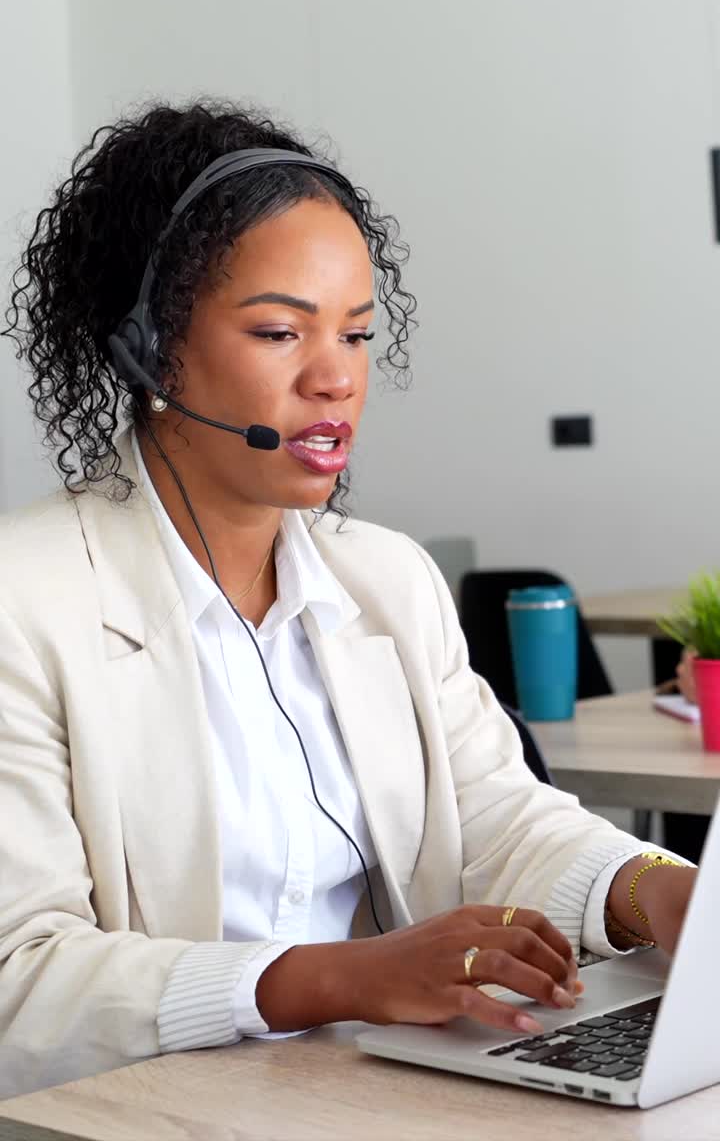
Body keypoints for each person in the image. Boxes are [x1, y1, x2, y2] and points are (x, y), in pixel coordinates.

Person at [0, 101, 696, 1098]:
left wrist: (654, 891)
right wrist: (335, 977)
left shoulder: (386, 579)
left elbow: (495, 819)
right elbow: (19, 979)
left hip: (381, 1093)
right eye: (281, 330)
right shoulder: (24, 601)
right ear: (149, 350)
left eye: (358, 333)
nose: (336, 378)